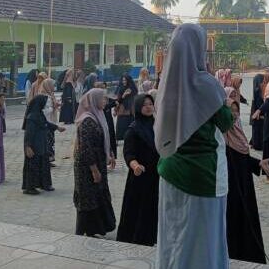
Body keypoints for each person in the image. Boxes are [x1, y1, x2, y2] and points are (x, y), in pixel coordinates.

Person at [154, 23, 234, 269]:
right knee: (202, 238)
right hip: (203, 175)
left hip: (169, 170)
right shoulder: (206, 83)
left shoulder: (165, 83)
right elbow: (226, 121)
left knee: (173, 233)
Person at [225, 100, 269, 263]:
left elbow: (241, 159)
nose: (234, 114)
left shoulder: (237, 132)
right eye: (230, 111)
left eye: (236, 111)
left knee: (246, 222)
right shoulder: (220, 136)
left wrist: (257, 163)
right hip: (228, 189)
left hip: (244, 186)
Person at [117, 94, 159, 246]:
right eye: (144, 104)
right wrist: (135, 166)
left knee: (154, 208)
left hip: (157, 176)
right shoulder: (133, 130)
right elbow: (128, 153)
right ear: (138, 108)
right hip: (140, 178)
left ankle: (153, 237)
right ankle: (138, 240)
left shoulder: (158, 126)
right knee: (139, 211)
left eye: (150, 104)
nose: (148, 107)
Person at [73, 88, 117, 237]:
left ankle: (93, 229)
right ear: (94, 100)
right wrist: (94, 170)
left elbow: (103, 137)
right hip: (87, 166)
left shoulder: (97, 116)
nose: (105, 101)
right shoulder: (87, 120)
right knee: (87, 197)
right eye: (103, 98)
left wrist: (109, 153)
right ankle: (82, 231)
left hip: (97, 161)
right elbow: (85, 148)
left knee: (96, 195)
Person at [22, 95, 65, 195]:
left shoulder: (39, 114)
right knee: (33, 165)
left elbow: (46, 124)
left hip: (42, 144)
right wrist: (28, 147)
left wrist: (57, 127)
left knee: (44, 164)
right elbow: (28, 133)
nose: (46, 104)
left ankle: (44, 184)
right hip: (34, 146)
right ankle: (30, 187)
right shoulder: (32, 117)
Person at [115, 73, 138, 141]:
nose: (124, 82)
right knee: (123, 129)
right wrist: (124, 95)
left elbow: (135, 98)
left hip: (131, 112)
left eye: (125, 80)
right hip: (123, 112)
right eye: (123, 80)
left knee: (131, 129)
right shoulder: (120, 89)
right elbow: (117, 101)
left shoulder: (133, 89)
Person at [249, 74, 265, 151]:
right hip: (257, 112)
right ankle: (256, 144)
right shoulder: (258, 90)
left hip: (257, 112)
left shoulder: (258, 89)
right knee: (257, 129)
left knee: (257, 129)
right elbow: (259, 103)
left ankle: (254, 143)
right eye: (262, 81)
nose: (263, 82)